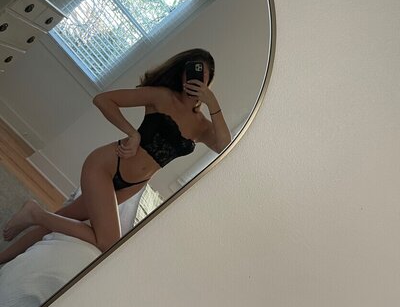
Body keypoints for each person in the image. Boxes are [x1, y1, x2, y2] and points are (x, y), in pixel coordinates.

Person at [0, 48, 231, 262]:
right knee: (109, 243)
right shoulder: (162, 96)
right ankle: (35, 213)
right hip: (107, 165)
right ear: (181, 73)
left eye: (202, 75)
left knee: (64, 218)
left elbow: (224, 145)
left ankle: (3, 257)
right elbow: (103, 100)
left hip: (131, 185)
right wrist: (132, 133)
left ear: (208, 82)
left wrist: (213, 103)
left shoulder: (202, 126)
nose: (194, 77)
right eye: (191, 70)